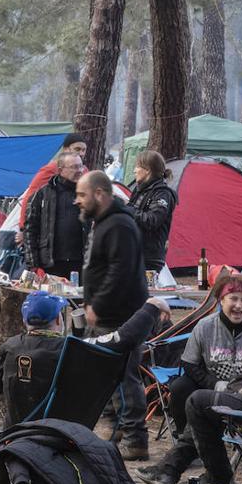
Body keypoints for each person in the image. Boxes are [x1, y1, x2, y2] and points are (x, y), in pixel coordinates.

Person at [136, 273, 242, 484]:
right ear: (221, 301)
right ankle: (177, 471)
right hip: (215, 389)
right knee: (184, 391)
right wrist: (214, 384)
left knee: (200, 405)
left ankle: (171, 470)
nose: (238, 305)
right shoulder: (206, 326)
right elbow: (189, 363)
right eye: (233, 299)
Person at [0, 291, 172, 428]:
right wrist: (152, 306)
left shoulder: (9, 346)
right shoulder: (72, 348)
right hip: (61, 434)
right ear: (58, 320)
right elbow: (122, 339)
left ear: (25, 321)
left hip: (16, 434)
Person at [75, 170, 149, 460]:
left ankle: (136, 439)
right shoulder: (102, 222)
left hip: (123, 315)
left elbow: (120, 272)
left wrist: (98, 305)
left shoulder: (119, 225)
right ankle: (118, 427)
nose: (77, 201)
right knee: (107, 373)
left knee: (126, 374)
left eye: (82, 195)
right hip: (108, 313)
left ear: (99, 194)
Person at [22, 152, 87, 279]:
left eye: (81, 166)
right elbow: (30, 230)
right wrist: (33, 265)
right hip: (51, 264)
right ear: (60, 170)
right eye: (74, 167)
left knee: (78, 299)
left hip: (81, 264)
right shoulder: (42, 195)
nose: (79, 171)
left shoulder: (88, 194)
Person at [17, 134, 88, 236]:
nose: (81, 153)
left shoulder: (85, 171)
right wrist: (23, 228)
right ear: (65, 149)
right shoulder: (52, 169)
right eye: (77, 149)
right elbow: (30, 197)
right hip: (50, 226)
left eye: (84, 150)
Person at [127, 150, 178, 272]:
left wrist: (128, 209)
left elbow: (153, 220)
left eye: (137, 166)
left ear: (147, 170)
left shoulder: (163, 193)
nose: (134, 170)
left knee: (146, 291)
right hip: (133, 253)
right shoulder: (139, 190)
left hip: (150, 258)